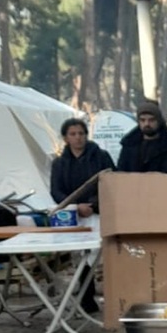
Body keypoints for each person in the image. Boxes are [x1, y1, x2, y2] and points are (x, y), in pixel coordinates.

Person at [50, 118, 115, 313]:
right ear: (66, 138)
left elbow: (111, 184)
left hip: (98, 213)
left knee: (97, 255)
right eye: (73, 134)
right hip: (73, 215)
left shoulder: (101, 157)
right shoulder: (60, 164)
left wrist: (93, 205)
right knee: (80, 258)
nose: (78, 138)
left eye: (81, 133)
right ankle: (86, 298)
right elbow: (57, 190)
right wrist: (76, 206)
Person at [117, 101, 167, 174]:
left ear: (158, 121)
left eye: (151, 120)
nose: (147, 124)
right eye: (142, 120)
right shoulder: (129, 145)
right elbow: (121, 173)